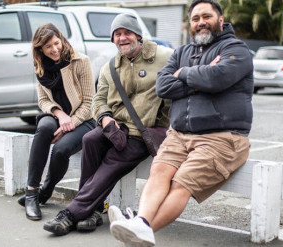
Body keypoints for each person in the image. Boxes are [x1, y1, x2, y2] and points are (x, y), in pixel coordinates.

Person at [109, 0, 254, 246]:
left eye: (206, 16)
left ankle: (143, 228)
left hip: (222, 137)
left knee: (180, 183)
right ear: (190, 24)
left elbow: (217, 79)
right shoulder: (181, 52)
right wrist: (202, 74)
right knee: (159, 173)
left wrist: (184, 73)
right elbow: (163, 86)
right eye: (195, 18)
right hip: (179, 135)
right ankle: (140, 223)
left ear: (220, 20)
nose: (200, 23)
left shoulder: (236, 50)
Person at [42, 14, 173, 236]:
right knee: (90, 139)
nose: (122, 38)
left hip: (143, 132)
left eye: (127, 33)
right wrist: (104, 118)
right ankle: (91, 211)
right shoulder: (110, 67)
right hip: (115, 129)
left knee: (112, 161)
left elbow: (189, 71)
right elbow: (98, 100)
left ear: (138, 35)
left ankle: (72, 213)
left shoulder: (164, 56)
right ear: (113, 40)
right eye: (117, 35)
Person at [17, 23, 95, 221]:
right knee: (43, 129)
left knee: (61, 149)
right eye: (47, 46)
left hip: (83, 119)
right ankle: (32, 193)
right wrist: (59, 114)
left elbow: (89, 103)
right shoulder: (40, 65)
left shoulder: (80, 61)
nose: (54, 49)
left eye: (56, 43)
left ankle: (46, 190)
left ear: (62, 40)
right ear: (40, 49)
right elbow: (42, 100)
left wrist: (70, 123)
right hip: (57, 115)